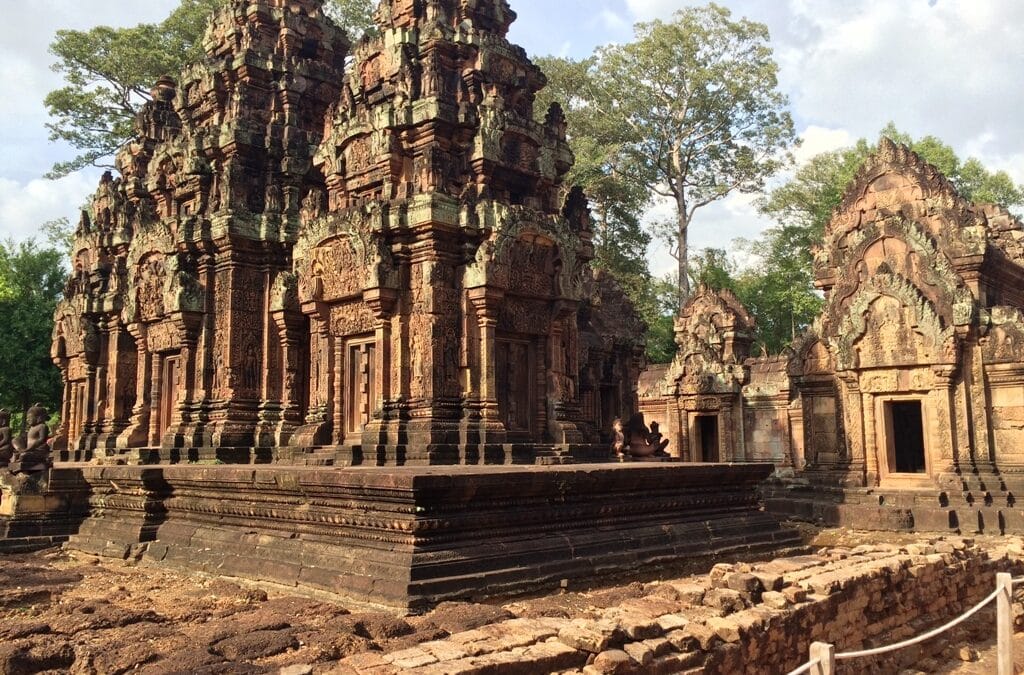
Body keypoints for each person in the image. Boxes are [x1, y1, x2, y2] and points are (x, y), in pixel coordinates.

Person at [10, 405, 52, 474]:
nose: (27, 420)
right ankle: (21, 455)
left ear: (39, 418)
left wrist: (30, 448)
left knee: (24, 456)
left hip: (39, 451)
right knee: (15, 440)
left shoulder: (42, 426)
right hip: (29, 450)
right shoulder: (32, 428)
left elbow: (42, 440)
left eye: (30, 418)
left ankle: (22, 457)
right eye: (27, 418)